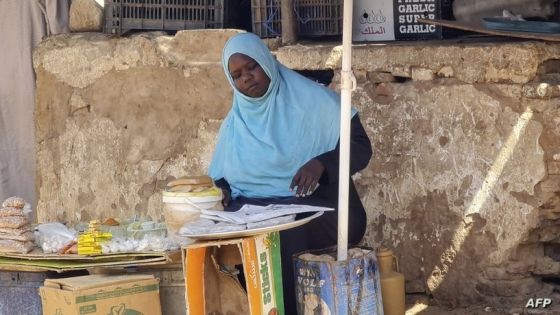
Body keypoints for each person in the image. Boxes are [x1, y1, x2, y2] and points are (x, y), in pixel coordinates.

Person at [208, 32, 372, 314]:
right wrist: (220, 192)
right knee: (242, 236)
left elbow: (361, 148)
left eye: (252, 67)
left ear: (266, 63)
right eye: (237, 75)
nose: (246, 78)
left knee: (285, 236)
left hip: (314, 202)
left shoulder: (312, 100)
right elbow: (222, 175)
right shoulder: (237, 122)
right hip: (258, 207)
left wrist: (321, 164)